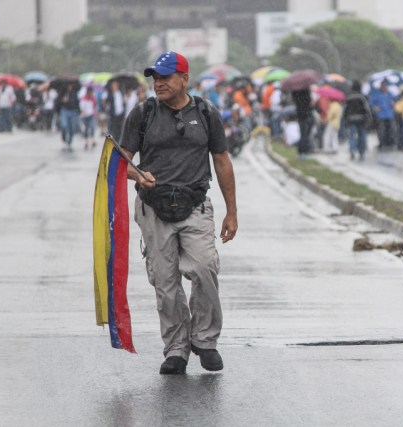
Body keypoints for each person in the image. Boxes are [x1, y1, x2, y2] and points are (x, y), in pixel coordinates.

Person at [120, 51, 238, 375]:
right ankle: (176, 350)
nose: (158, 83)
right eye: (155, 78)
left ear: (184, 79)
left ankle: (205, 340)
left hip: (196, 205)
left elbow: (222, 160)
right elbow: (122, 161)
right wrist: (138, 174)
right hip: (153, 207)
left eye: (166, 77)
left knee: (204, 268)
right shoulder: (142, 114)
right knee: (165, 282)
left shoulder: (206, 112)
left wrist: (232, 212)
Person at [343, 80, 372, 160]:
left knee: (351, 135)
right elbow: (367, 109)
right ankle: (361, 152)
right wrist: (369, 119)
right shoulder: (363, 97)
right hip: (361, 119)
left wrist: (345, 119)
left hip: (351, 119)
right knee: (362, 135)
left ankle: (352, 150)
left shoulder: (349, 97)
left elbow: (345, 110)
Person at [369, 81, 397, 150]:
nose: (385, 88)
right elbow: (371, 103)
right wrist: (375, 107)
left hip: (390, 114)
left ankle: (390, 143)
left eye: (386, 86)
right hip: (380, 115)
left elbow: (395, 102)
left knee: (391, 130)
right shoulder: (376, 95)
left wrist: (393, 104)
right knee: (381, 130)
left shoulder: (390, 94)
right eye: (383, 86)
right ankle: (382, 143)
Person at [57, 82, 80, 151]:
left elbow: (77, 103)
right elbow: (58, 102)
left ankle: (70, 141)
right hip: (65, 110)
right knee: (64, 125)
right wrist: (63, 101)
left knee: (72, 127)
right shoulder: (63, 93)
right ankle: (64, 138)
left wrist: (79, 112)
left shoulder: (75, 93)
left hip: (73, 111)